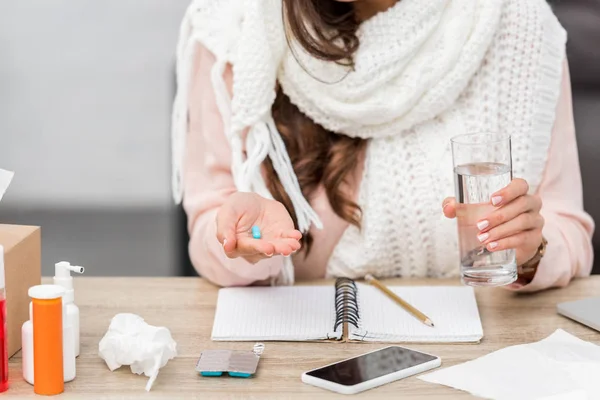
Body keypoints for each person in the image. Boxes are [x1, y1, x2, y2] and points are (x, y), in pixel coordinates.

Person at [171, 0, 594, 290]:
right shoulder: (234, 30)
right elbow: (209, 231)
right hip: (294, 355)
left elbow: (567, 231)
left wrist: (530, 252)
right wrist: (244, 242)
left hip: (481, 345)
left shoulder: (516, 25)